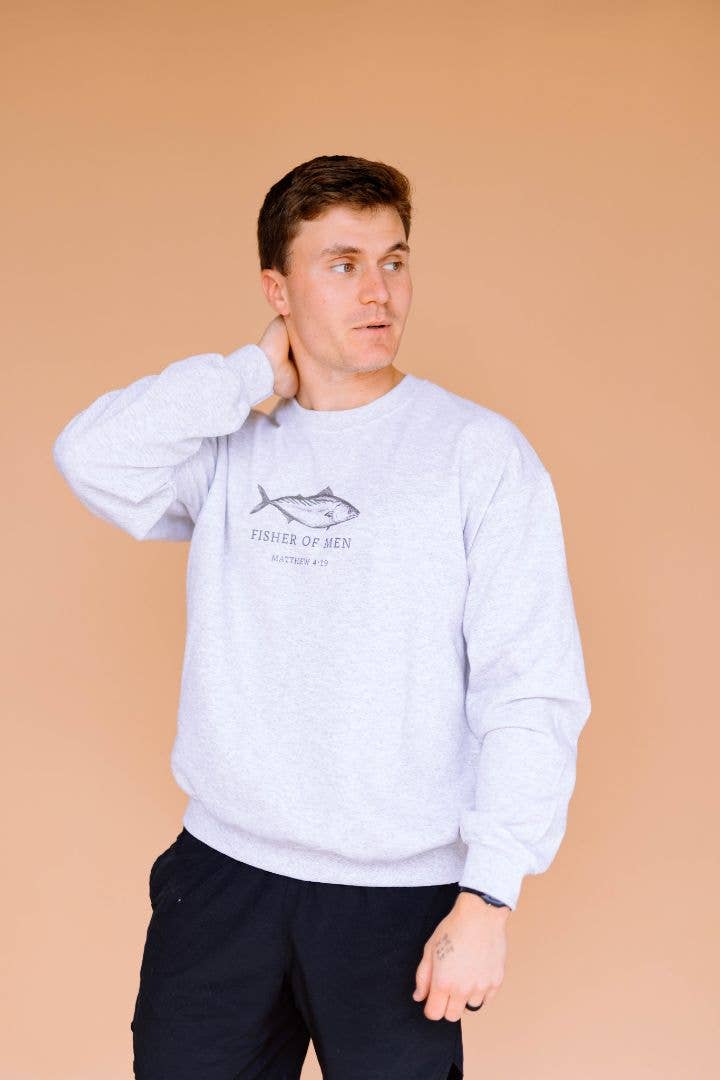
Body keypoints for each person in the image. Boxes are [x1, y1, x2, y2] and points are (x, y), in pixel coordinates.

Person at [52, 154, 591, 1079]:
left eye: (394, 261)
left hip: (397, 898)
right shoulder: (233, 448)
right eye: (343, 265)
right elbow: (91, 455)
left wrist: (489, 898)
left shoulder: (478, 454)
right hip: (223, 879)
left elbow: (530, 688)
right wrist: (247, 371)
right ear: (279, 289)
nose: (378, 292)